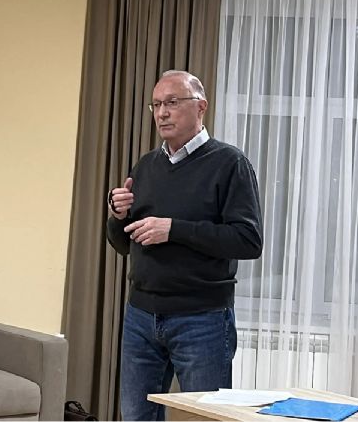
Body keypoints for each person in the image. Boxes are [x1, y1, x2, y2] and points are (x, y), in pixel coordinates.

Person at [106, 70, 263, 421]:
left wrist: (174, 230)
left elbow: (248, 240)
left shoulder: (230, 163)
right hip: (141, 316)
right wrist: (118, 216)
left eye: (172, 103)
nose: (162, 113)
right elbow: (123, 244)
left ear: (201, 107)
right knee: (135, 418)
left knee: (203, 419)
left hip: (202, 319)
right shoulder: (146, 166)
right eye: (156, 105)